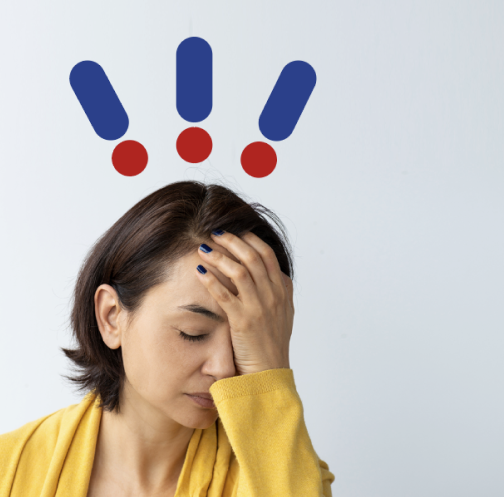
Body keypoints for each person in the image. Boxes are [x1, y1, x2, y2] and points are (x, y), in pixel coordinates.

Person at [0, 180, 335, 497]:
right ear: (111, 316)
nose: (223, 369)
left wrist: (265, 374)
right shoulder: (10, 470)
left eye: (243, 340)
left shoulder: (289, 477)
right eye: (193, 333)